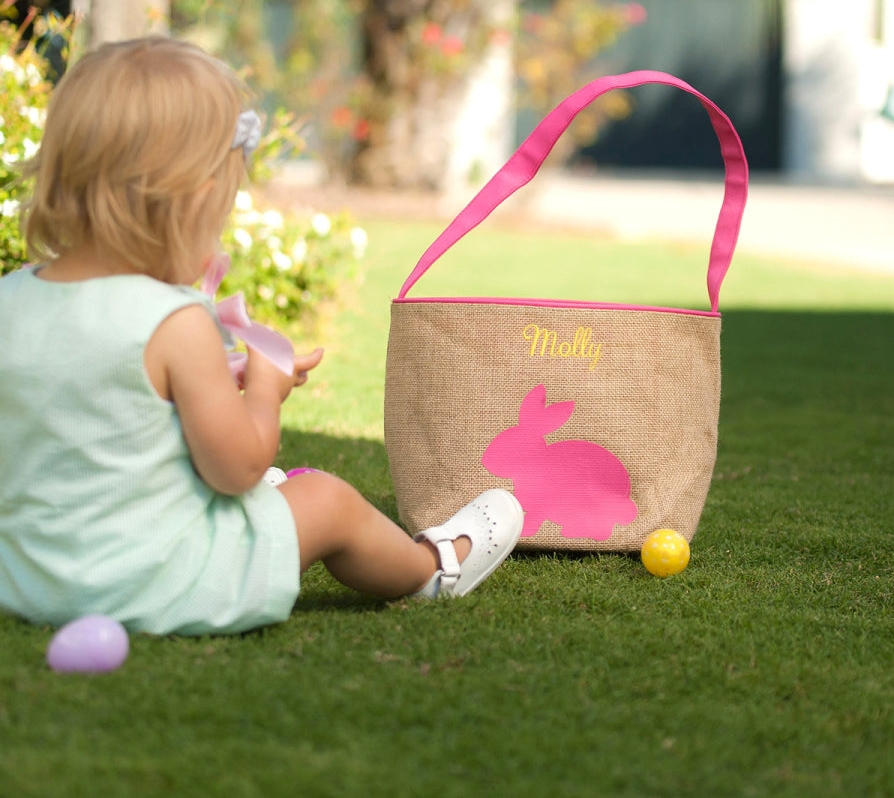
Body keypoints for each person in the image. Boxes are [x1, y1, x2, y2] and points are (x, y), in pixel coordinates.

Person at [0, 36, 523, 636]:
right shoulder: (174, 322)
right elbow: (237, 469)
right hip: (157, 584)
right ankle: (433, 567)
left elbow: (89, 399)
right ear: (189, 201)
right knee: (324, 499)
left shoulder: (12, 297)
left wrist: (209, 383)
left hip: (29, 580)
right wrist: (265, 393)